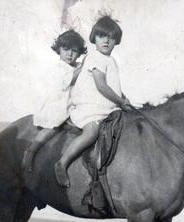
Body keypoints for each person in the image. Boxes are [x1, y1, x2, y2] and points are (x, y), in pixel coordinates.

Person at [54, 15, 133, 187]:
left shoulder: (110, 60)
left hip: (105, 106)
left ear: (116, 41)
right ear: (94, 38)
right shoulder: (95, 57)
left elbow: (112, 86)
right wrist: (120, 101)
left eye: (111, 37)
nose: (106, 40)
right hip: (89, 107)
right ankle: (63, 162)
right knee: (92, 132)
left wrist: (124, 98)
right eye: (101, 36)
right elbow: (101, 85)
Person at [22, 30, 87, 171]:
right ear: (59, 50)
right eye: (66, 49)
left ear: (79, 52)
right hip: (57, 103)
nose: (70, 54)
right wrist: (83, 67)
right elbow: (68, 80)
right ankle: (31, 151)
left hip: (71, 103)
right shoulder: (60, 67)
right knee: (54, 125)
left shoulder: (76, 67)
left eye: (74, 51)